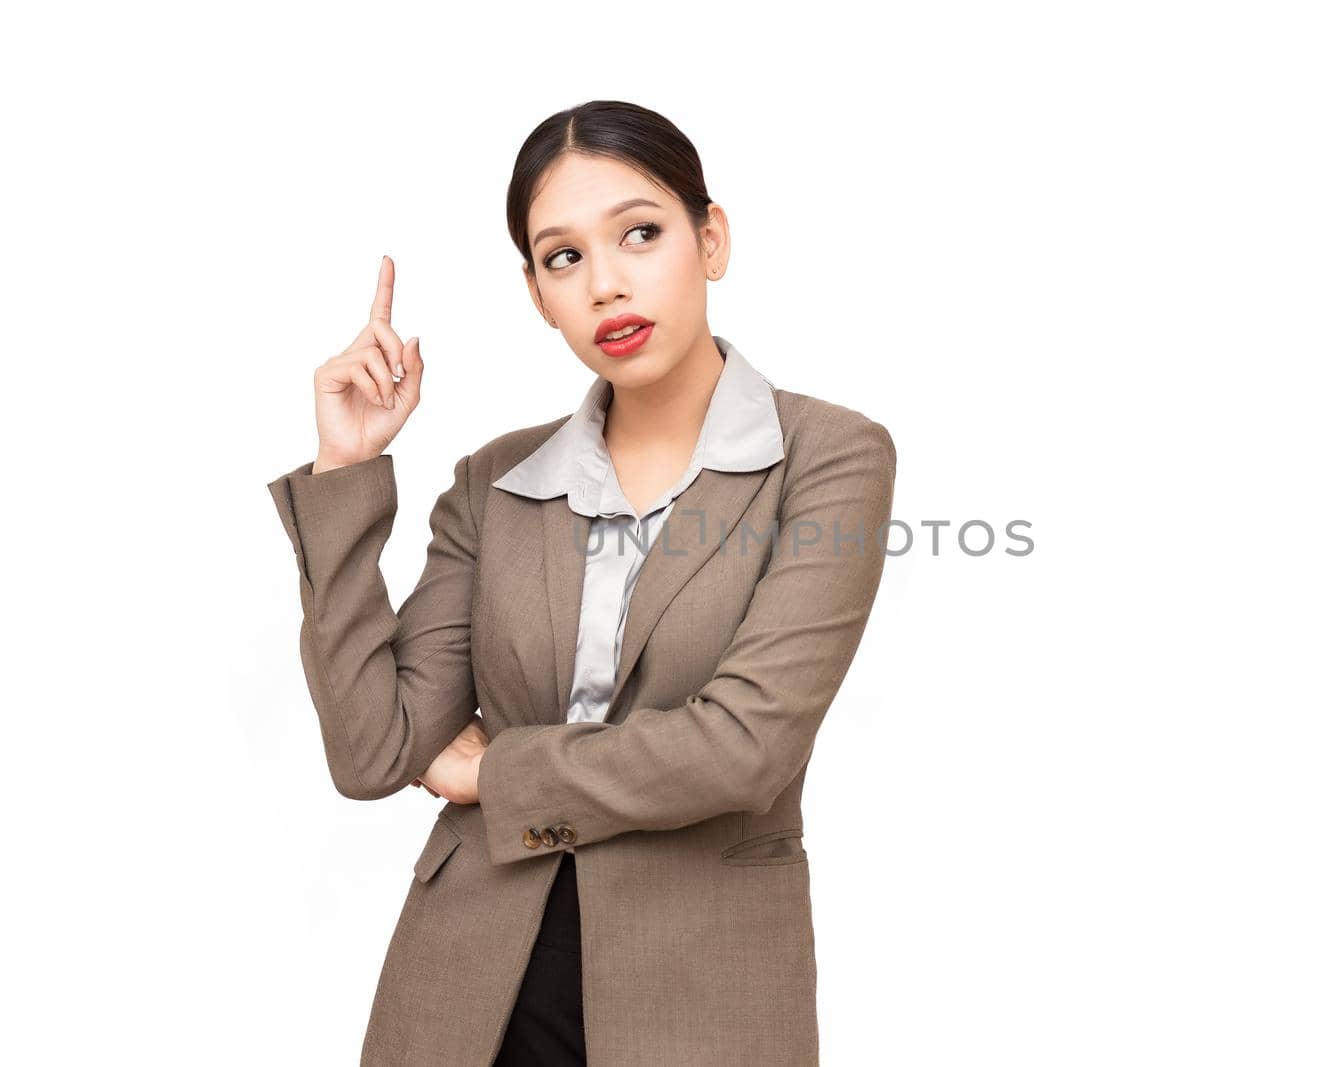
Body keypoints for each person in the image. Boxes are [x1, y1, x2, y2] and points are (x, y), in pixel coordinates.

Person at [265, 99, 897, 1066]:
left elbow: (745, 746)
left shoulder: (827, 457)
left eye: (640, 233)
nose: (606, 284)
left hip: (701, 990)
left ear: (710, 239)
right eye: (564, 257)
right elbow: (377, 749)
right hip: (466, 988)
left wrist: (495, 770)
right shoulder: (497, 480)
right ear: (537, 292)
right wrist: (346, 469)